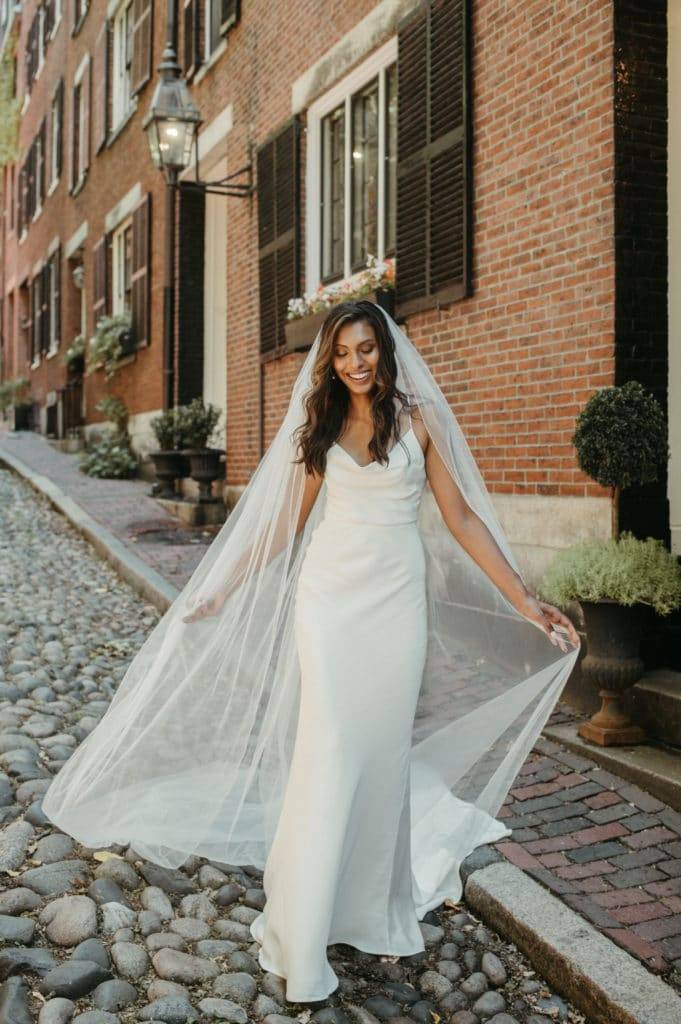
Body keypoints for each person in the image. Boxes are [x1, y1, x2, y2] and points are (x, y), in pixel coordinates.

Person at [42, 301, 580, 1003]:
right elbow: (281, 531)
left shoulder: (420, 422)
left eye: (366, 350)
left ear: (384, 352)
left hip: (396, 609)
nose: (356, 364)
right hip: (328, 607)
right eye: (342, 354)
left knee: (379, 754)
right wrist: (221, 590)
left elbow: (462, 519)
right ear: (329, 362)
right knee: (327, 751)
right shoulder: (318, 428)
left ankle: (364, 909)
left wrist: (523, 601)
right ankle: (302, 925)